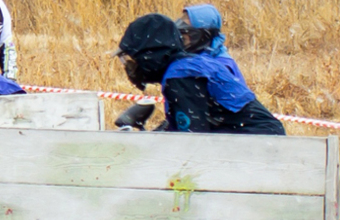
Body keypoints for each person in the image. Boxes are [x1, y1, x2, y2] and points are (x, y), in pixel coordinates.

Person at [114, 13, 284, 135]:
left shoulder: (182, 76)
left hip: (256, 145)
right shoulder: (189, 65)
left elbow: (192, 138)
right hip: (256, 141)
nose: (130, 66)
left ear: (148, 54)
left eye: (130, 59)